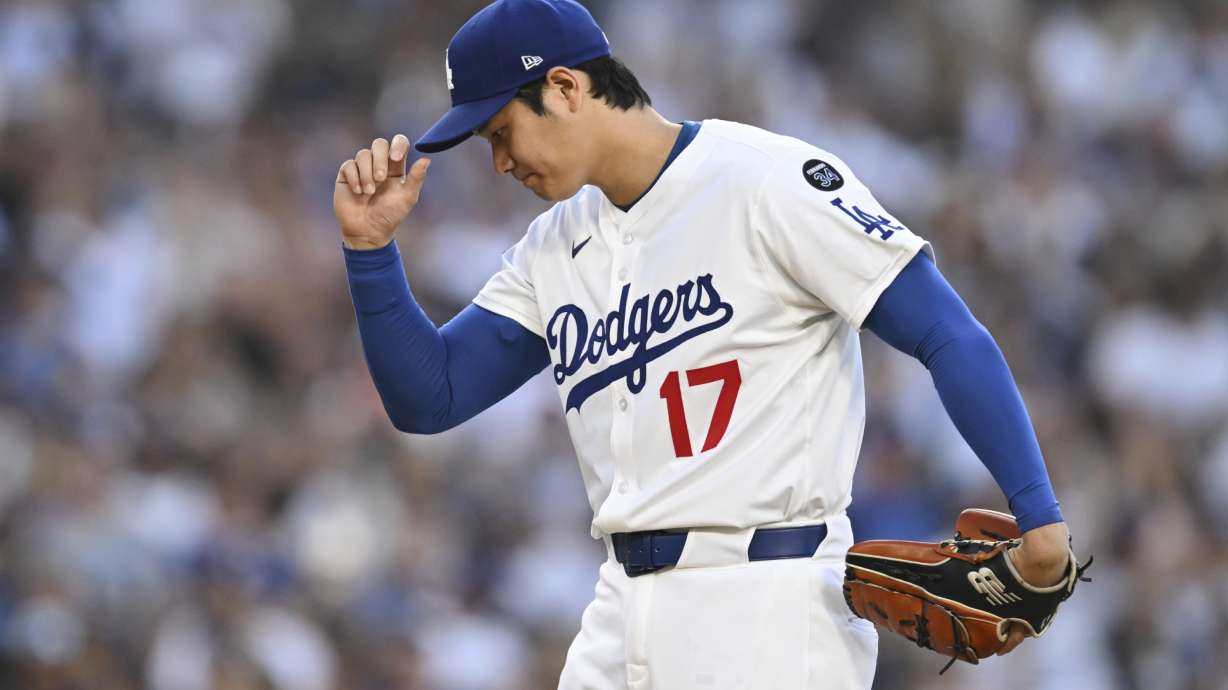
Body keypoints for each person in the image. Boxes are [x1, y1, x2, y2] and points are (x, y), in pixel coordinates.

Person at [332, 1, 1074, 687]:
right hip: (620, 612)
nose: (500, 162)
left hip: (769, 603)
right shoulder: (553, 248)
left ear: (564, 88)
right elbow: (433, 395)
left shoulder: (764, 182)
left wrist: (1038, 516)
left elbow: (948, 332)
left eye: (501, 132)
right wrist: (370, 254)